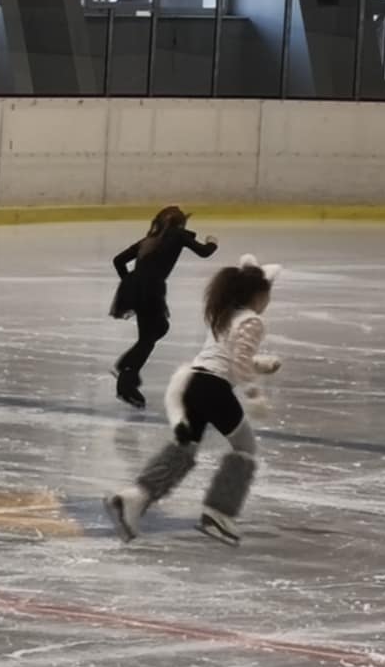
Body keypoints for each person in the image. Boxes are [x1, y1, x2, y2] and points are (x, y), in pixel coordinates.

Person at [109, 255, 282, 548]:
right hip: (214, 388)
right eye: (268, 294)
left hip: (193, 383)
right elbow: (239, 362)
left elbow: (226, 355)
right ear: (258, 295)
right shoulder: (252, 321)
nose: (268, 301)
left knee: (184, 449)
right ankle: (218, 513)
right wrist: (254, 394)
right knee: (245, 448)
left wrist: (261, 364)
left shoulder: (224, 313)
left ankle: (134, 499)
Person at [110, 206, 217, 408]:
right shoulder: (177, 235)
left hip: (137, 288)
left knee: (153, 332)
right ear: (180, 223)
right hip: (151, 290)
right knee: (152, 333)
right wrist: (213, 242)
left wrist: (131, 283)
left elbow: (118, 261)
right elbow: (204, 252)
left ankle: (128, 370)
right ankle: (125, 375)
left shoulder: (149, 240)